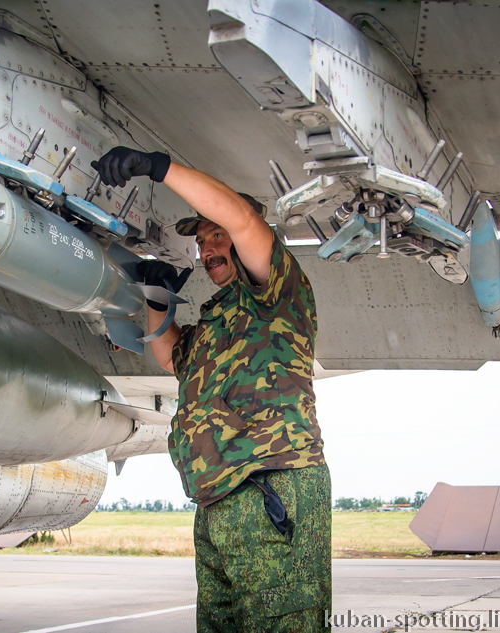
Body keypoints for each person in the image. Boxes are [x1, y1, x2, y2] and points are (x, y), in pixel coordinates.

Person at [92, 147, 331, 632]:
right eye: (201, 241)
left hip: (273, 483)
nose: (207, 248)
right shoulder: (213, 325)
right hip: (216, 498)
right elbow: (167, 355)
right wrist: (157, 297)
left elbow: (242, 219)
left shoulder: (276, 295)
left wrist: (160, 168)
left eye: (216, 235)